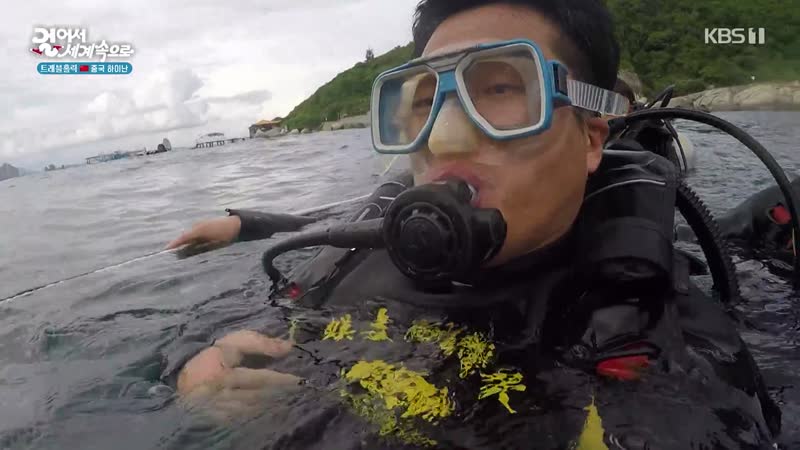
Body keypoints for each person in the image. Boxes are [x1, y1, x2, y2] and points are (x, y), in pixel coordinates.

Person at [163, 1, 781, 448]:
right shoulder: (354, 256)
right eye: (424, 101)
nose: (446, 136)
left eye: (501, 89)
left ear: (592, 139)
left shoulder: (658, 333)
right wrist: (197, 365)